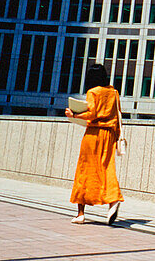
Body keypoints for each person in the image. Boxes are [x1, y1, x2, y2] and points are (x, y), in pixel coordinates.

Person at [65, 63, 124, 224]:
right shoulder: (114, 93)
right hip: (109, 135)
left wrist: (74, 115)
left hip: (93, 135)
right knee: (107, 168)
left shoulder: (93, 92)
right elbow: (118, 115)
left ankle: (81, 214)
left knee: (84, 171)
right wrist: (117, 136)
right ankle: (112, 201)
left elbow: (92, 113)